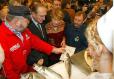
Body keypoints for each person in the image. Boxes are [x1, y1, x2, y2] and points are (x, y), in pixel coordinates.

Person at [0, 5, 64, 79]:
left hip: (29, 71)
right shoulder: (1, 38)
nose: (28, 26)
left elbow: (35, 41)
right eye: (27, 23)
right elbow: (7, 70)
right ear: (17, 22)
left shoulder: (22, 30)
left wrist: (53, 49)